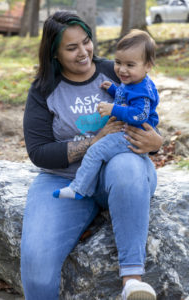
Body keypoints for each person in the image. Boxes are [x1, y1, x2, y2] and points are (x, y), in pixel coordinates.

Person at [21, 10, 162, 300]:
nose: (84, 52)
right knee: (36, 264)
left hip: (122, 172)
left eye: (86, 41)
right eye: (71, 48)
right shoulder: (43, 90)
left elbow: (150, 117)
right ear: (54, 53)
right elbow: (39, 152)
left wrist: (156, 142)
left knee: (126, 167)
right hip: (65, 179)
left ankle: (132, 282)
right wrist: (95, 140)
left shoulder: (118, 70)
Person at [53, 29, 159, 200]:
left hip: (129, 135)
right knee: (97, 152)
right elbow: (126, 97)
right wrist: (113, 89)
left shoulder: (142, 90)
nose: (122, 70)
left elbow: (140, 114)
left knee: (95, 151)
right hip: (125, 132)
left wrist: (112, 109)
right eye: (118, 62)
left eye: (130, 65)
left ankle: (79, 188)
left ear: (148, 66)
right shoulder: (134, 82)